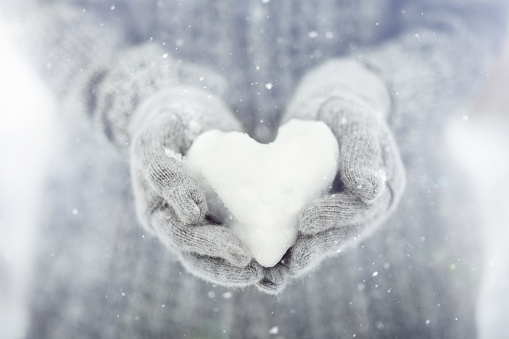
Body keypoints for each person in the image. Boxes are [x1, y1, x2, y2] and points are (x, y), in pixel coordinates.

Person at [4, 0, 507, 337]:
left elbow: (471, 17)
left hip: (396, 290)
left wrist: (376, 88)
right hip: (114, 291)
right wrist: (137, 96)